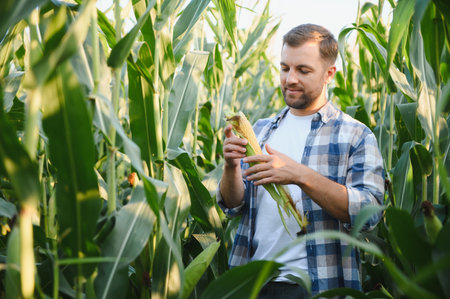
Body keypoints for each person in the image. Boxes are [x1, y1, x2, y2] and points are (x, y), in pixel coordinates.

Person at [217, 24, 385, 298]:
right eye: (285, 68)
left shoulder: (355, 135)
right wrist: (231, 167)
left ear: (329, 73)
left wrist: (300, 175)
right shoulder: (261, 130)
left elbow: (370, 212)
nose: (290, 79)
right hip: (252, 282)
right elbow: (234, 205)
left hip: (316, 286)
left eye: (303, 70)